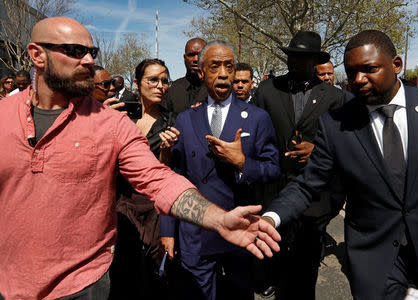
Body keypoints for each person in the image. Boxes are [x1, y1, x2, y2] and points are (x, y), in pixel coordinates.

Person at [0, 16, 281, 300]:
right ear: (37, 55)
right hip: (9, 283)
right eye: (75, 51)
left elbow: (160, 179)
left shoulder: (112, 124)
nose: (88, 60)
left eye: (92, 53)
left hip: (85, 284)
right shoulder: (3, 115)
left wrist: (219, 219)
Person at [263, 29, 418, 300]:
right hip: (375, 260)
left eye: (369, 69)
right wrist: (271, 218)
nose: (358, 80)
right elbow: (307, 185)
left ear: (396, 65)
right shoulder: (335, 124)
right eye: (351, 73)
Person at [160, 41, 280, 300]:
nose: (224, 73)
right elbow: (174, 177)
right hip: (195, 234)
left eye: (229, 66)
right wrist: (168, 230)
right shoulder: (186, 119)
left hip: (239, 231)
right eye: (215, 66)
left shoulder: (257, 118)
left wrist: (242, 163)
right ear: (201, 73)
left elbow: (272, 170)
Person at [253, 30, 345, 299]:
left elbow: (344, 141)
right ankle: (272, 280)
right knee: (273, 249)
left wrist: (317, 150)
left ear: (316, 61)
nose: (295, 61)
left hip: (314, 195)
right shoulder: (267, 90)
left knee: (305, 263)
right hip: (273, 188)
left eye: (303, 57)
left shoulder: (333, 96)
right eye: (292, 55)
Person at [109, 59, 179, 299]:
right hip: (118, 201)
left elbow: (165, 173)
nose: (160, 86)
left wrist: (167, 150)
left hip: (152, 207)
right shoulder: (118, 115)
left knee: (151, 272)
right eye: (153, 80)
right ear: (137, 83)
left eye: (165, 81)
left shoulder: (171, 121)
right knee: (121, 269)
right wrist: (101, 117)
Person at [163, 37, 208, 113]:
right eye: (191, 55)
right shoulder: (172, 89)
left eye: (201, 55)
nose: (196, 59)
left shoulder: (216, 89)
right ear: (184, 58)